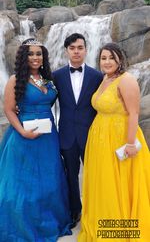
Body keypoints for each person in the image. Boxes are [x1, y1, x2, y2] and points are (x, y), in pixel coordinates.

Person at [0, 38, 72, 242]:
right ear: (24, 57)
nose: (35, 57)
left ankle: (48, 220)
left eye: (39, 54)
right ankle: (23, 224)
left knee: (49, 177)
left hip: (48, 136)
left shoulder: (46, 80)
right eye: (31, 54)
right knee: (24, 182)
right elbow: (8, 109)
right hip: (25, 136)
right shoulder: (15, 80)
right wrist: (23, 132)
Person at [78, 42, 150, 242]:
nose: (107, 61)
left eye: (111, 57)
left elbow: (134, 113)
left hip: (120, 137)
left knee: (121, 183)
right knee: (104, 181)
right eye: (103, 58)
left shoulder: (126, 80)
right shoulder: (105, 79)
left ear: (120, 59)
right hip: (100, 137)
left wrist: (129, 143)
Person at [53, 33, 103, 228]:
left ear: (85, 50)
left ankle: (96, 209)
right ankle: (75, 211)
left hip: (91, 135)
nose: (76, 51)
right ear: (66, 51)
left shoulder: (97, 76)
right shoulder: (56, 76)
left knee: (94, 174)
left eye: (80, 47)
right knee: (70, 176)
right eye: (72, 48)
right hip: (66, 135)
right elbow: (44, 99)